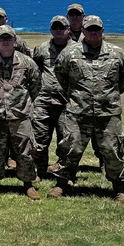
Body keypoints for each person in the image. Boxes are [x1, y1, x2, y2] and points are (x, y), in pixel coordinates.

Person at [50, 15, 124, 205]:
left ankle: (119, 189)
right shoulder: (70, 53)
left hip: (108, 114)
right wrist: (75, 96)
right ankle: (62, 183)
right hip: (77, 112)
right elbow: (61, 75)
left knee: (113, 152)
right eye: (90, 29)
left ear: (103, 31)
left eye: (97, 29)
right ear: (83, 31)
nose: (93, 33)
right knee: (70, 149)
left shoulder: (117, 53)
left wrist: (112, 93)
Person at [0, 26, 42, 199]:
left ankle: (28, 184)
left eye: (8, 38)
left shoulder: (26, 62)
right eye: (1, 38)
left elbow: (36, 85)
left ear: (15, 40)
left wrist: (23, 104)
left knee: (25, 151)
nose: (5, 41)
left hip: (20, 116)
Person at [31, 15, 74, 179]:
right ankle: (38, 171)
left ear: (68, 30)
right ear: (50, 30)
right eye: (55, 28)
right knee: (39, 139)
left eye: (61, 28)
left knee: (67, 140)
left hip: (67, 102)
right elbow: (35, 71)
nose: (58, 31)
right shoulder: (42, 49)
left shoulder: (76, 50)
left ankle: (64, 173)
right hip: (43, 101)